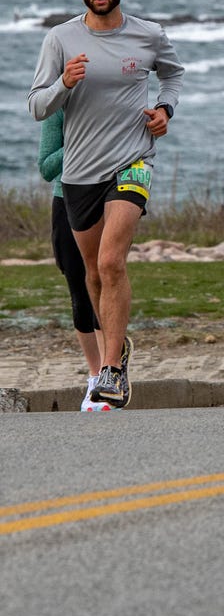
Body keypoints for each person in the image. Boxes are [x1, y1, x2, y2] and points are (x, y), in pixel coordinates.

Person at [28, 0, 184, 407]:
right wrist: (64, 83)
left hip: (133, 161)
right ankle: (118, 347)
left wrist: (164, 109)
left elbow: (173, 75)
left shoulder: (148, 34)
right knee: (93, 272)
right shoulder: (60, 40)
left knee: (113, 262)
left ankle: (110, 371)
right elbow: (37, 106)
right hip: (79, 173)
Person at [37, 108, 106, 411]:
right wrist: (81, 140)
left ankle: (111, 371)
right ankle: (95, 376)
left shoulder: (111, 102)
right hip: (65, 202)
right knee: (79, 290)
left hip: (107, 200)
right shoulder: (59, 110)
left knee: (104, 282)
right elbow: (47, 166)